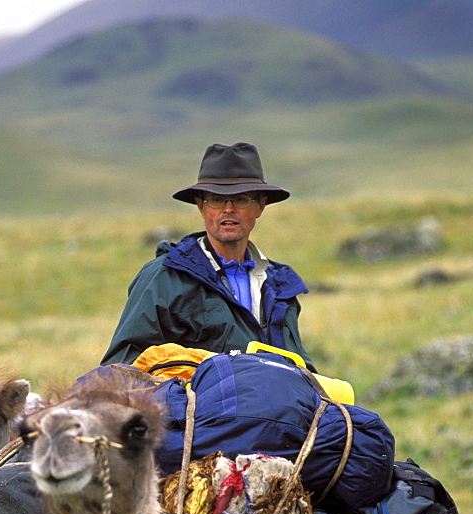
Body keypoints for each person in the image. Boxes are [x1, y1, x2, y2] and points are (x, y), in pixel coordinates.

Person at [100, 141, 314, 369]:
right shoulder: (162, 278)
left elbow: (300, 367)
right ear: (201, 206)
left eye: (242, 199)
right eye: (216, 200)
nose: (228, 209)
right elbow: (122, 366)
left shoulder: (280, 286)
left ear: (260, 207)